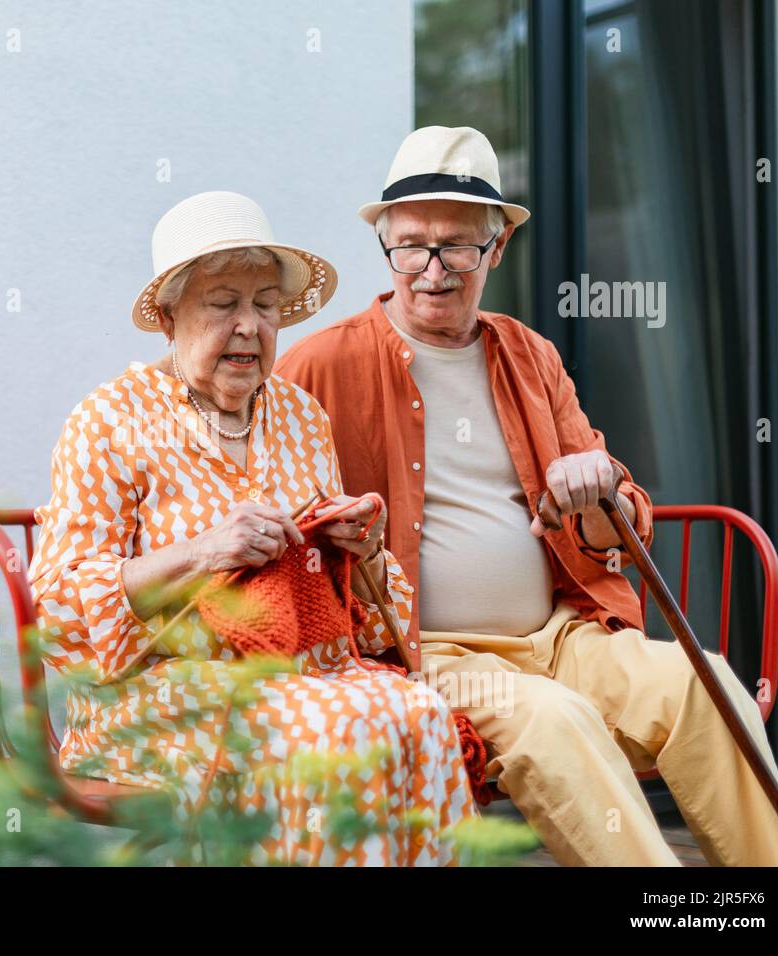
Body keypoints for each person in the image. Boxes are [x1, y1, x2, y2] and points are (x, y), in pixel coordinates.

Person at [274, 125, 778, 866]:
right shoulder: (319, 364)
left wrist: (592, 493)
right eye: (413, 245)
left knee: (704, 681)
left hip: (564, 634)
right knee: (554, 720)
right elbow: (280, 522)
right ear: (387, 248)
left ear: (495, 250)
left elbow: (618, 523)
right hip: (428, 653)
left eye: (458, 246)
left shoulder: (529, 354)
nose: (433, 269)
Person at [27, 190, 477, 865]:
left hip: (311, 672)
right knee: (329, 729)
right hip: (162, 692)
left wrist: (362, 553)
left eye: (265, 305)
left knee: (422, 715)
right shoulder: (109, 420)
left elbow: (367, 622)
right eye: (224, 303)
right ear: (170, 314)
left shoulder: (300, 415)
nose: (250, 325)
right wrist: (202, 553)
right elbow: (56, 611)